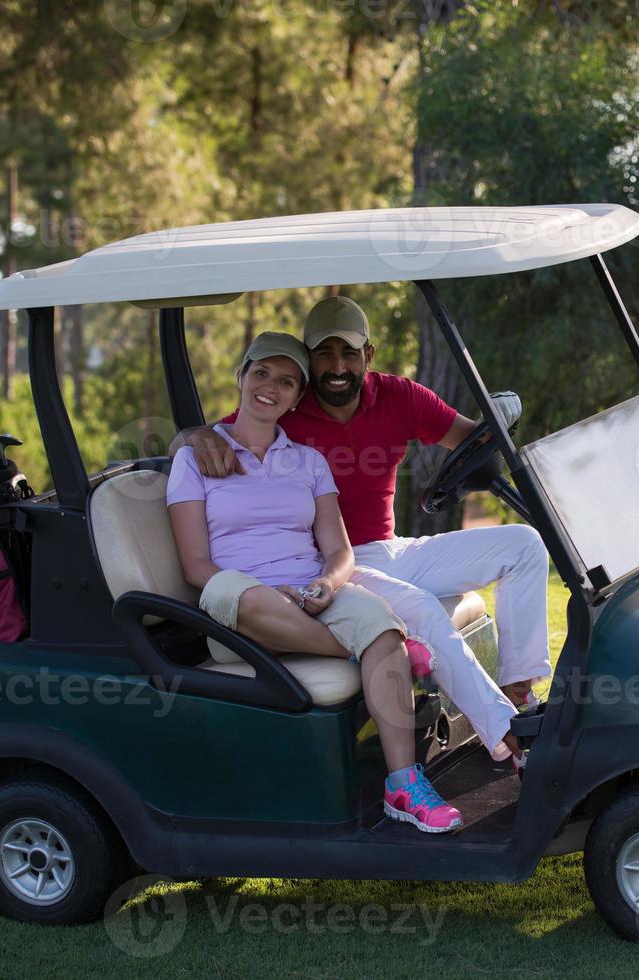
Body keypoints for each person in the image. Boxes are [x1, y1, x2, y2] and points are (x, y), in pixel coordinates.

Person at [175, 296, 549, 766]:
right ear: (308, 362)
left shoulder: (399, 396)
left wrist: (502, 441)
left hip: (393, 549)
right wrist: (193, 433)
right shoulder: (289, 404)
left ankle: (518, 692)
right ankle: (513, 740)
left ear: (368, 356)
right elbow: (221, 434)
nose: (336, 366)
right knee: (423, 611)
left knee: (523, 544)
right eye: (324, 354)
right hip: (337, 562)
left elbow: (470, 437)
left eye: (348, 353)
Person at [166, 332, 462, 833]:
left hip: (310, 595)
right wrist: (270, 593)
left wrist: (327, 582)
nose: (270, 388)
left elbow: (339, 550)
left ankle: (403, 785)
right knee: (252, 598)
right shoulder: (196, 457)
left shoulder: (308, 462)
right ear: (241, 376)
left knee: (378, 623)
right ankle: (363, 649)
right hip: (237, 608)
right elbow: (196, 565)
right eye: (260, 373)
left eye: (286, 381)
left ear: (296, 394)